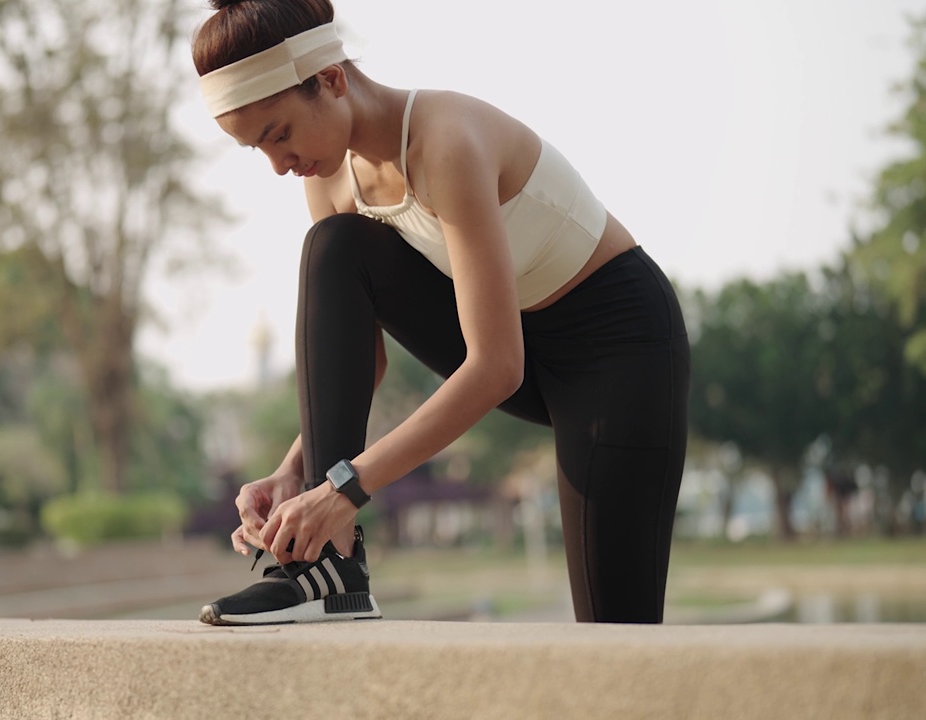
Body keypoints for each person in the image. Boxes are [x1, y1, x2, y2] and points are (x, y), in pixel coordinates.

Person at [192, 0, 690, 625]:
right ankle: (329, 568)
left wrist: (344, 490)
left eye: (279, 134)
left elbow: (496, 366)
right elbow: (359, 367)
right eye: (256, 150)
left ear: (332, 80)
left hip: (617, 350)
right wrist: (296, 473)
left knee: (615, 631)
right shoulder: (328, 177)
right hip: (520, 341)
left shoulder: (446, 139)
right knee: (334, 248)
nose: (277, 165)